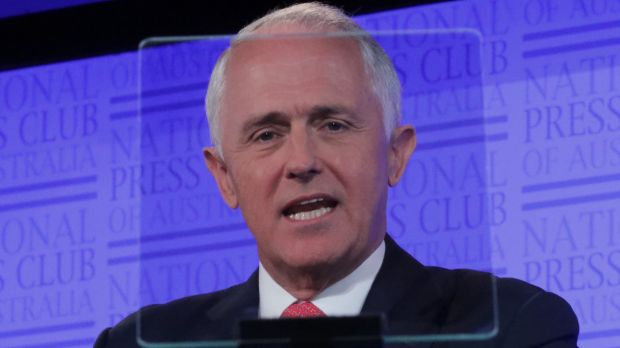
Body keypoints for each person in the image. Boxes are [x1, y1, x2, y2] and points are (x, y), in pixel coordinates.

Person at [95, 2, 579, 347]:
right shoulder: (142, 342)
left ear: (396, 154)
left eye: (333, 125)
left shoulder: (515, 327)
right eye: (266, 134)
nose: (302, 161)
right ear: (224, 177)